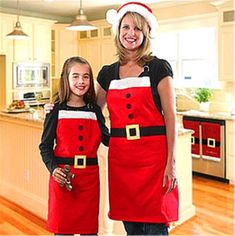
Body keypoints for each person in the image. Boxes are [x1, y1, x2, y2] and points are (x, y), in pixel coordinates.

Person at [45, 2, 179, 235]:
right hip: (121, 160)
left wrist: (171, 162)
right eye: (126, 27)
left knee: (156, 223)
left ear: (146, 32)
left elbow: (170, 118)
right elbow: (89, 111)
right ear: (118, 31)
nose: (131, 34)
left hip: (154, 159)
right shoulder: (108, 73)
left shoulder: (158, 68)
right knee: (131, 223)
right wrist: (55, 107)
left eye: (138, 28)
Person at [39, 56, 109, 236]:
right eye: (75, 76)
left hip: (90, 182)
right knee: (63, 231)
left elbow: (109, 140)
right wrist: (54, 170)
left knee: (89, 231)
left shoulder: (94, 110)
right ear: (66, 78)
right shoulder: (55, 110)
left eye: (86, 76)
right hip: (63, 179)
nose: (81, 81)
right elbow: (45, 147)